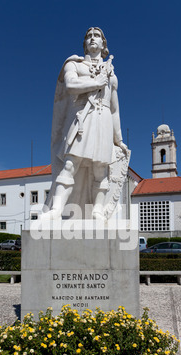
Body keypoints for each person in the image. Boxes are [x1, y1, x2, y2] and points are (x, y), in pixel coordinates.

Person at [42, 27, 128, 220]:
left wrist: (119, 139)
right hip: (81, 117)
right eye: (88, 36)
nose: (92, 38)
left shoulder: (111, 75)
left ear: (103, 44)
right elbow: (71, 85)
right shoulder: (74, 64)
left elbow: (114, 110)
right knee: (71, 163)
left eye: (96, 36)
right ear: (84, 44)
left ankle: (98, 210)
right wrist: (96, 83)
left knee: (100, 168)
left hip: (103, 118)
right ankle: (56, 210)